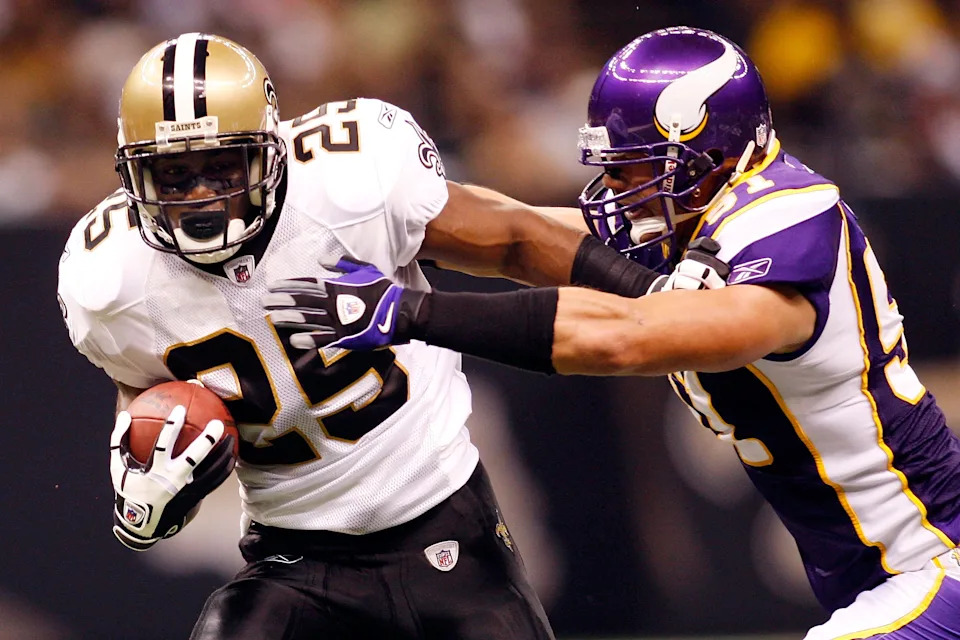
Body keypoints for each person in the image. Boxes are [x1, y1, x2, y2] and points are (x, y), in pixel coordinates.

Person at [272, 27, 960, 639]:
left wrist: (410, 313)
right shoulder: (706, 217)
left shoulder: (790, 228)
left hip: (934, 562)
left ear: (707, 155)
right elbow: (521, 233)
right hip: (891, 578)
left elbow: (629, 336)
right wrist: (387, 218)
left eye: (634, 166)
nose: (613, 187)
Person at [56, 32, 726, 640]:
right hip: (292, 558)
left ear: (270, 150)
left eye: (222, 166)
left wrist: (651, 291)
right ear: (133, 175)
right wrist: (140, 473)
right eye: (173, 174)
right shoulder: (109, 276)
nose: (199, 196)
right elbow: (142, 388)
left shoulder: (352, 180)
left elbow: (515, 238)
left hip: (442, 524)